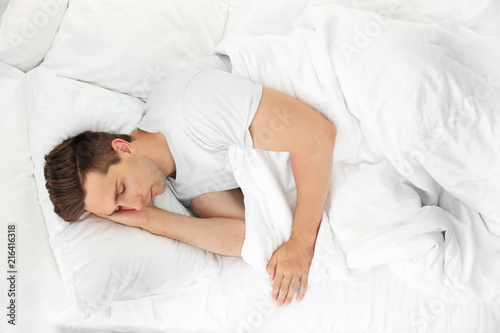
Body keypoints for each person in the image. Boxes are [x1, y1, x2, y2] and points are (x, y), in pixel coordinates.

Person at [44, 54, 336, 306]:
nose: (134, 203)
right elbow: (252, 238)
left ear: (122, 148)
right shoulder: (179, 184)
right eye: (119, 209)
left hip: (333, 81)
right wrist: (150, 220)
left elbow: (316, 134)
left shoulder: (190, 106)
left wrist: (301, 242)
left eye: (122, 189)